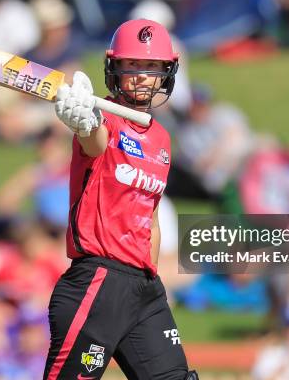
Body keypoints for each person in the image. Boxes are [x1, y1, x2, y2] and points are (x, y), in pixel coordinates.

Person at [42, 19, 198, 379]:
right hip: (98, 282)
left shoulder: (161, 139)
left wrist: (153, 279)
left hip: (144, 289)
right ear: (115, 68)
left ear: (167, 73)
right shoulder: (103, 119)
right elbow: (94, 141)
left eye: (153, 67)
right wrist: (83, 123)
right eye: (133, 66)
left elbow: (152, 217)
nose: (143, 76)